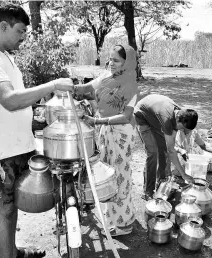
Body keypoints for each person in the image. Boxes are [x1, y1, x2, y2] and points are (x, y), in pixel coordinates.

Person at [0, 4, 74, 258]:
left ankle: (12, 252)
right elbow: (10, 100)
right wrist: (52, 84)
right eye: (20, 31)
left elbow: (18, 101)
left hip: (16, 145)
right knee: (3, 208)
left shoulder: (4, 57)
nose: (23, 37)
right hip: (1, 150)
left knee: (11, 206)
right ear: (3, 27)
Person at [75, 44, 138, 237]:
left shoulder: (131, 85)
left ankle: (124, 223)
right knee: (108, 174)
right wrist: (66, 87)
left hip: (120, 133)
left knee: (120, 175)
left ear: (127, 63)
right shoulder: (106, 77)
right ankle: (115, 219)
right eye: (110, 59)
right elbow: (87, 87)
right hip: (105, 130)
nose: (111, 63)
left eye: (116, 60)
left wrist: (96, 121)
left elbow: (126, 116)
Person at [133, 94, 198, 200]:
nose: (181, 130)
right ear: (178, 119)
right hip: (142, 116)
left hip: (155, 117)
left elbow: (169, 149)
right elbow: (172, 151)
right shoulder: (167, 119)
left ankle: (161, 184)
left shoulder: (181, 115)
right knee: (153, 153)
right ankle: (148, 192)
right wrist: (184, 174)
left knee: (163, 150)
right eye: (181, 128)